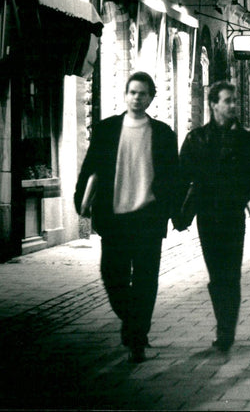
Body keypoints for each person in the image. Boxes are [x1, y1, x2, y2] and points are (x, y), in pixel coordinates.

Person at [74, 71, 179, 364]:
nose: (136, 97)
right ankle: (134, 324)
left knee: (145, 281)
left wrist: (176, 212)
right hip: (115, 219)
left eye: (142, 93)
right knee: (113, 277)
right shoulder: (107, 129)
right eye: (132, 92)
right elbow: (90, 168)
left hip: (148, 218)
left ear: (151, 98)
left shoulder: (163, 134)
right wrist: (81, 200)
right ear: (125, 95)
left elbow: (174, 177)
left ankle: (136, 339)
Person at [179, 81, 250, 353]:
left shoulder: (246, 139)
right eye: (227, 100)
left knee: (231, 274)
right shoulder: (196, 139)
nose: (233, 105)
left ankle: (225, 329)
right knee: (216, 274)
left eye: (235, 100)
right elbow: (180, 179)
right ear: (213, 104)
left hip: (234, 216)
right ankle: (224, 322)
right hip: (207, 216)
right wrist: (176, 214)